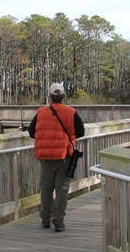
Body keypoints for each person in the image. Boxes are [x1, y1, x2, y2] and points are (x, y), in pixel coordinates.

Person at [28, 82, 85, 233]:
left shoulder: (41, 112)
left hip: (46, 158)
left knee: (46, 188)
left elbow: (31, 132)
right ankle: (58, 222)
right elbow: (81, 132)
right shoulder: (71, 112)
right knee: (62, 189)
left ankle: (45, 219)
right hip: (64, 156)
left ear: (50, 97)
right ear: (63, 96)